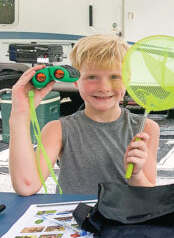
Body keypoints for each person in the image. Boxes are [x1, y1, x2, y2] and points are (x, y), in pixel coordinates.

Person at [9, 34, 160, 196]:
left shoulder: (146, 128)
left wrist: (136, 174)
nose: (104, 87)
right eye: (92, 77)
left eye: (115, 77)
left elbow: (148, 195)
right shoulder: (58, 130)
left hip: (123, 219)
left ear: (127, 80)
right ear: (75, 81)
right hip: (75, 218)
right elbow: (26, 186)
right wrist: (20, 113)